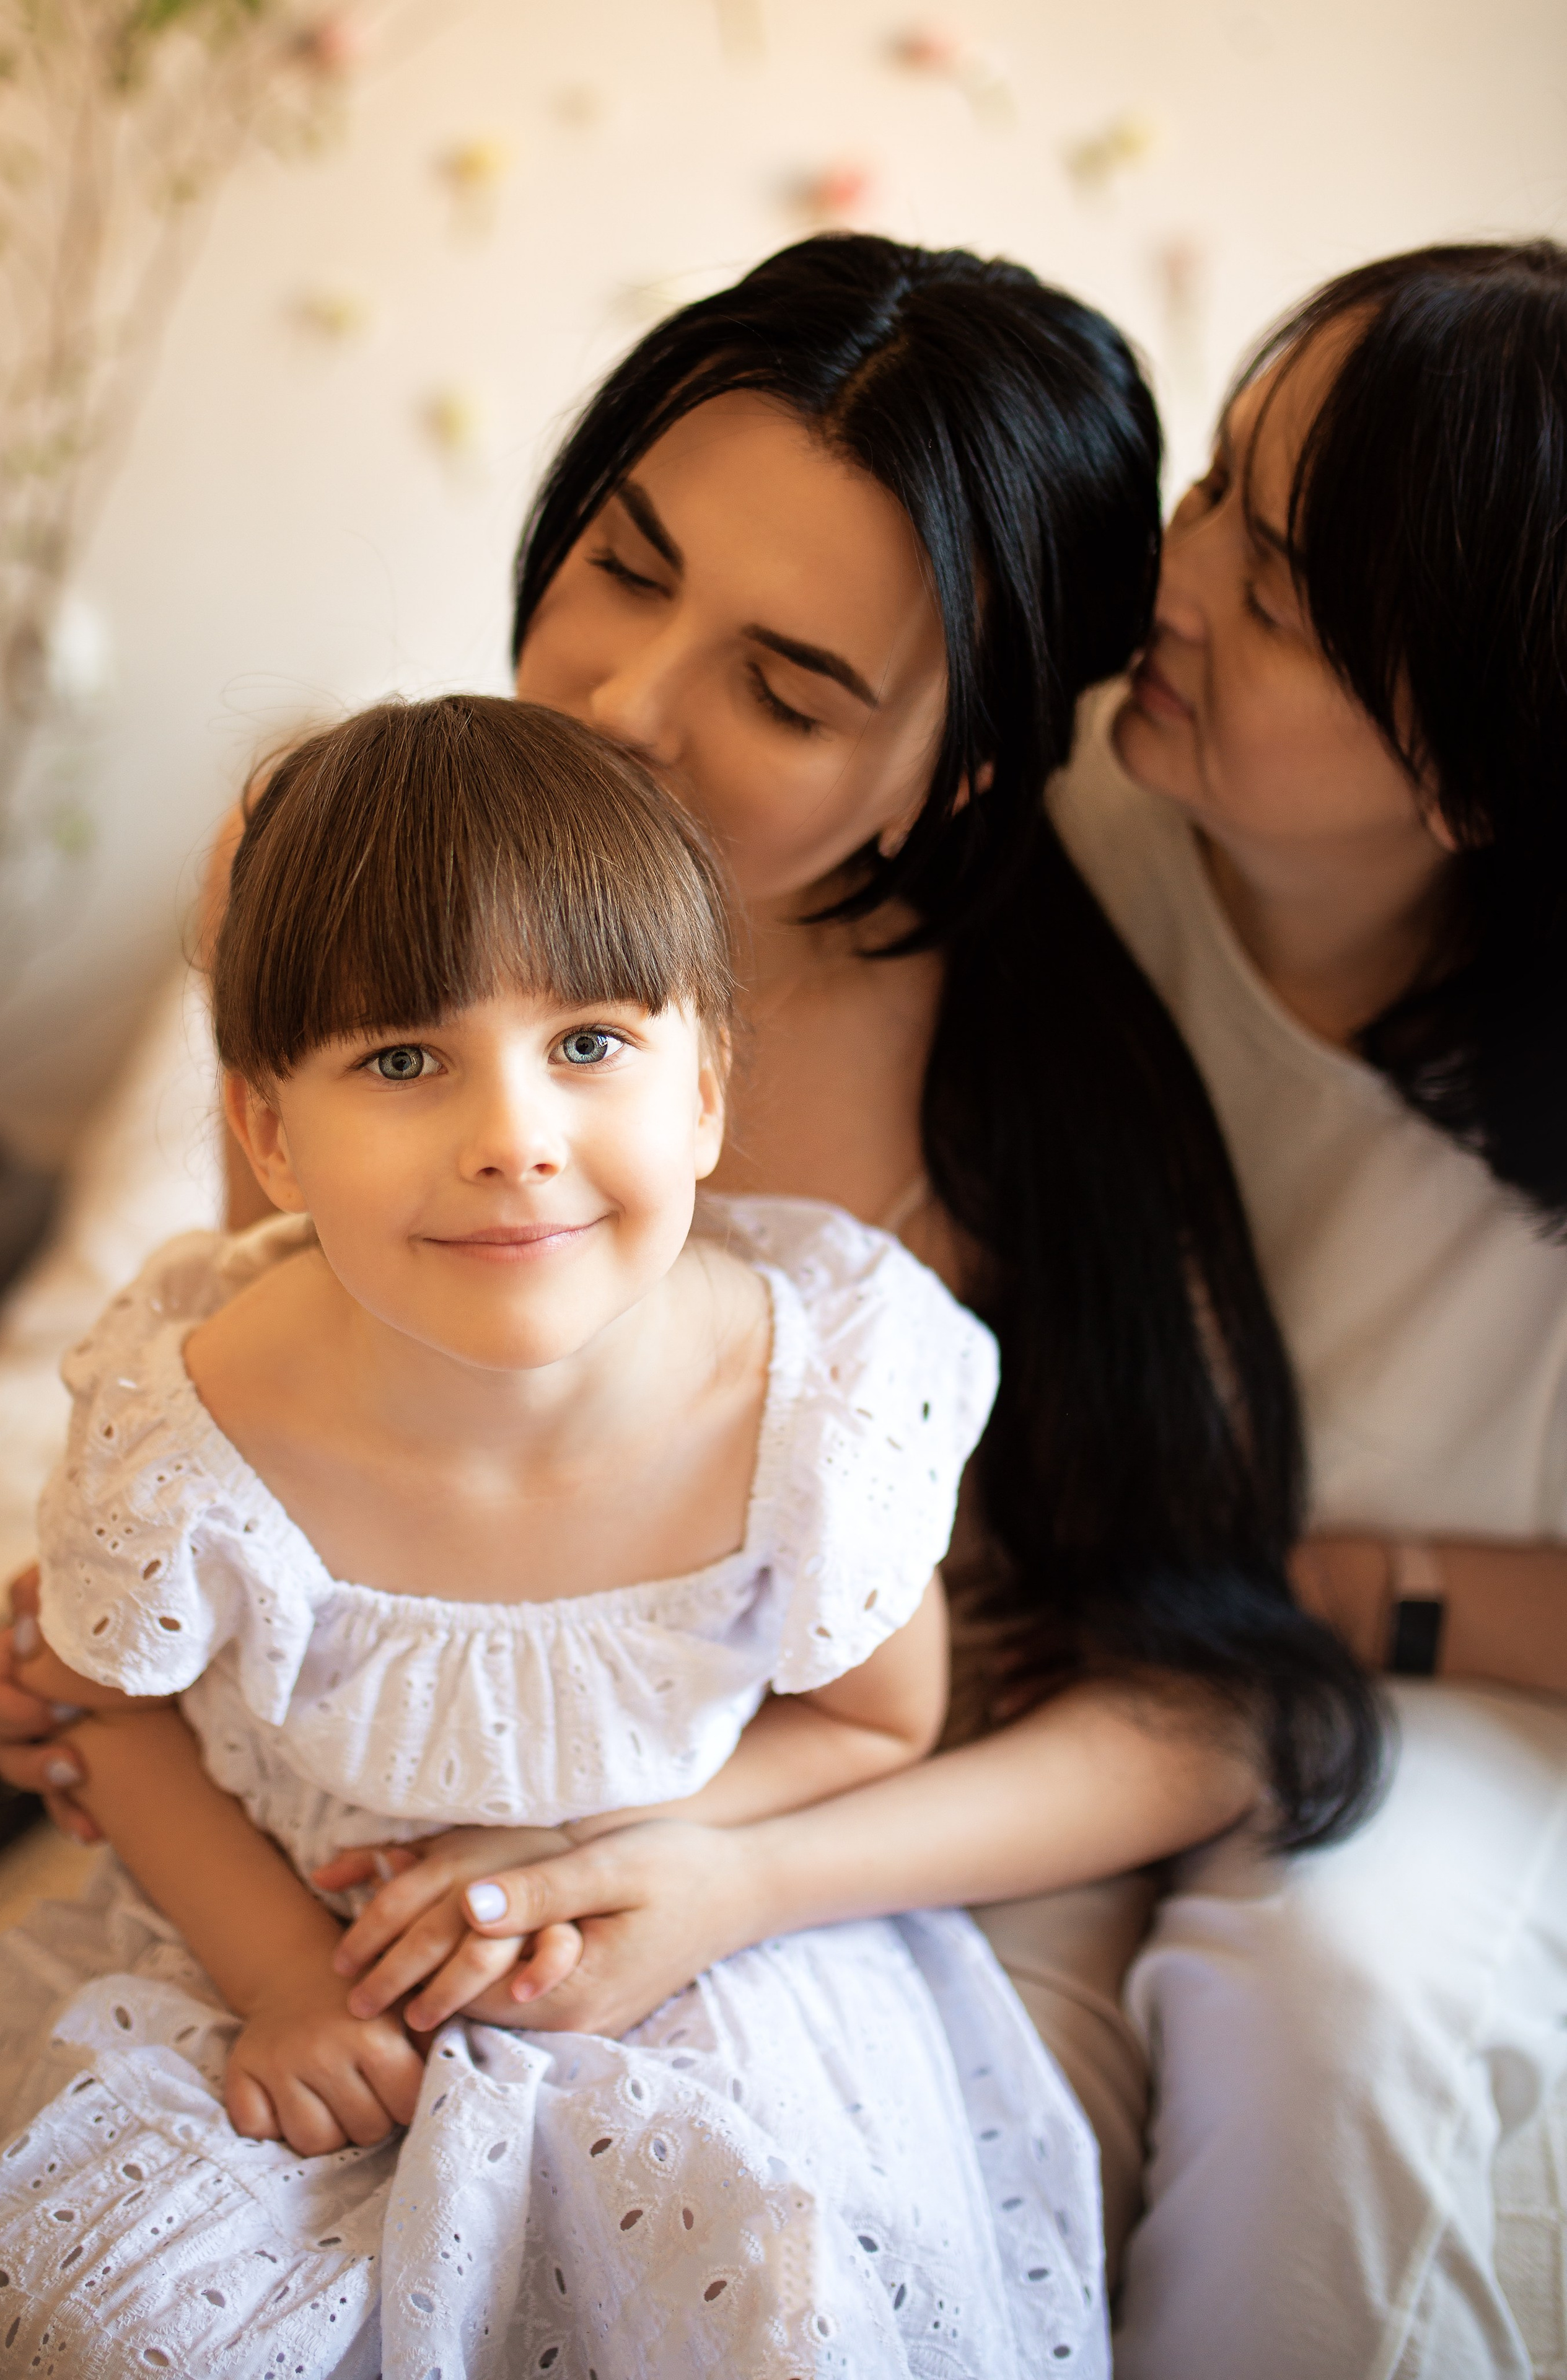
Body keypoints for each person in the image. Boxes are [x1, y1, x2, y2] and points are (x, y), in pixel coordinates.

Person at [0, 236, 1389, 2347]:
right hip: (325, 1887)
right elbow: (271, 1326)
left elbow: (1220, 1700)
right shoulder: (325, 851)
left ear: (963, 765)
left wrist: (733, 1874)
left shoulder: (1021, 1116)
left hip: (838, 1888)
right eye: (625, 566)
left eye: (791, 683)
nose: (624, 703)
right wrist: (105, 1647)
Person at [353, 240, 1567, 2378]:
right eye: (1220, 502)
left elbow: (1189, 1679)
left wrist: (727, 1857)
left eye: (1276, 596)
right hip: (496, 1834)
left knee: (1335, 2019)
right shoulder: (1063, 806)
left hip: (1193, 1694)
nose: (1171, 600)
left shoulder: (1026, 1073)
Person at [0, 690, 1116, 2379]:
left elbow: (880, 1715)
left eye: (589, 1042)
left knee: (780, 2294)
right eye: (404, 1058)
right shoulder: (197, 1410)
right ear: (269, 1129)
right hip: (277, 1960)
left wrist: (611, 1847)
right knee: (128, 2317)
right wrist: (290, 1976)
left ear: (710, 1090)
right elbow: (104, 1707)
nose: (513, 1135)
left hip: (687, 1957)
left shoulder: (814, 1395)